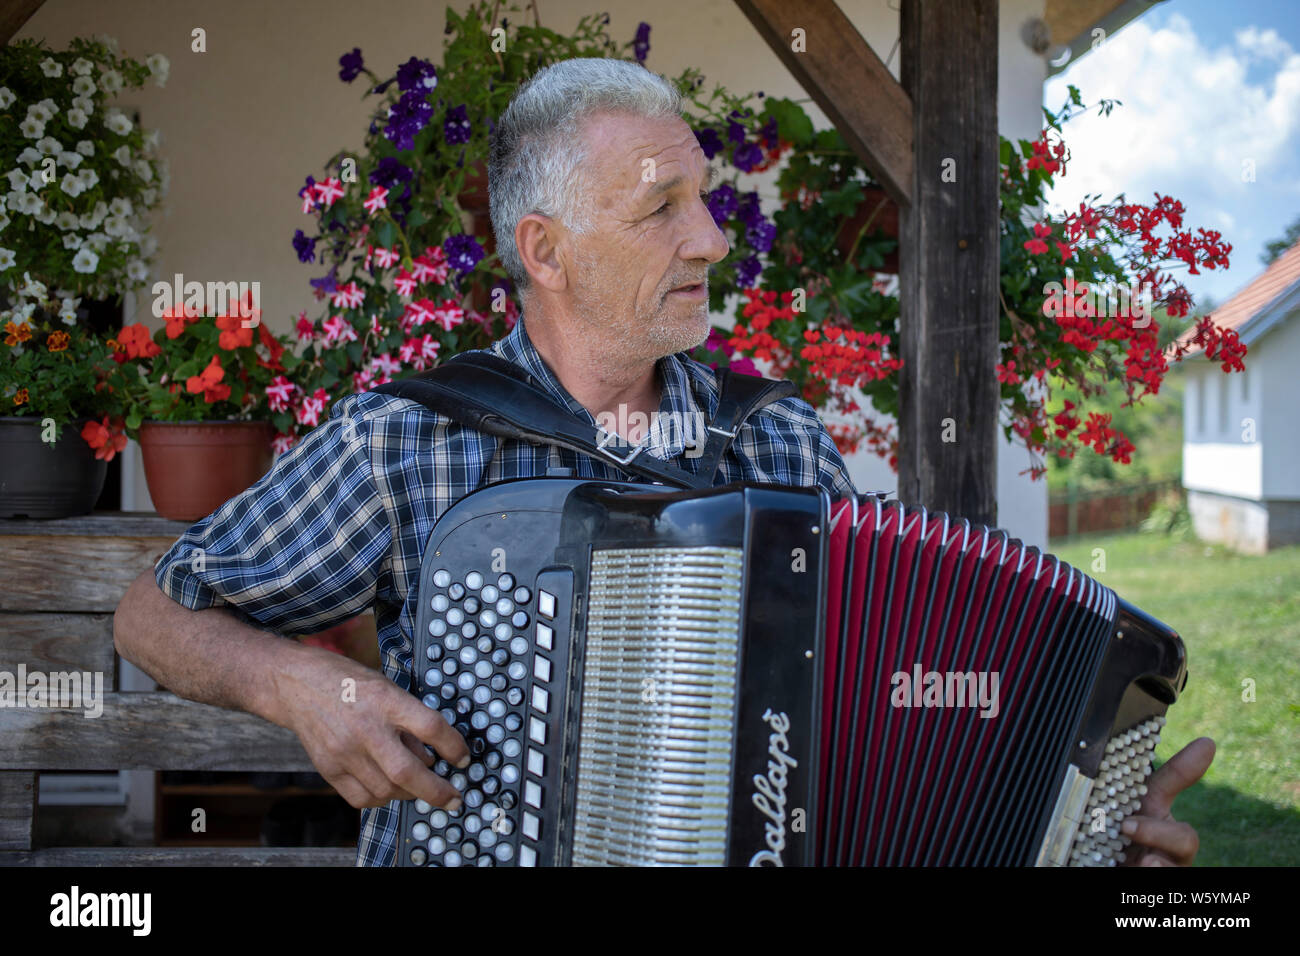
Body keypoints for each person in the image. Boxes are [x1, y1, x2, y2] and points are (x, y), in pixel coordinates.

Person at [114, 57, 1213, 867]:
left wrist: (1083, 831)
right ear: (544, 250)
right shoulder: (408, 439)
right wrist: (310, 682)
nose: (712, 239)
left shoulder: (775, 441)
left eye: (701, 199)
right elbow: (153, 615)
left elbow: (887, 728)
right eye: (660, 209)